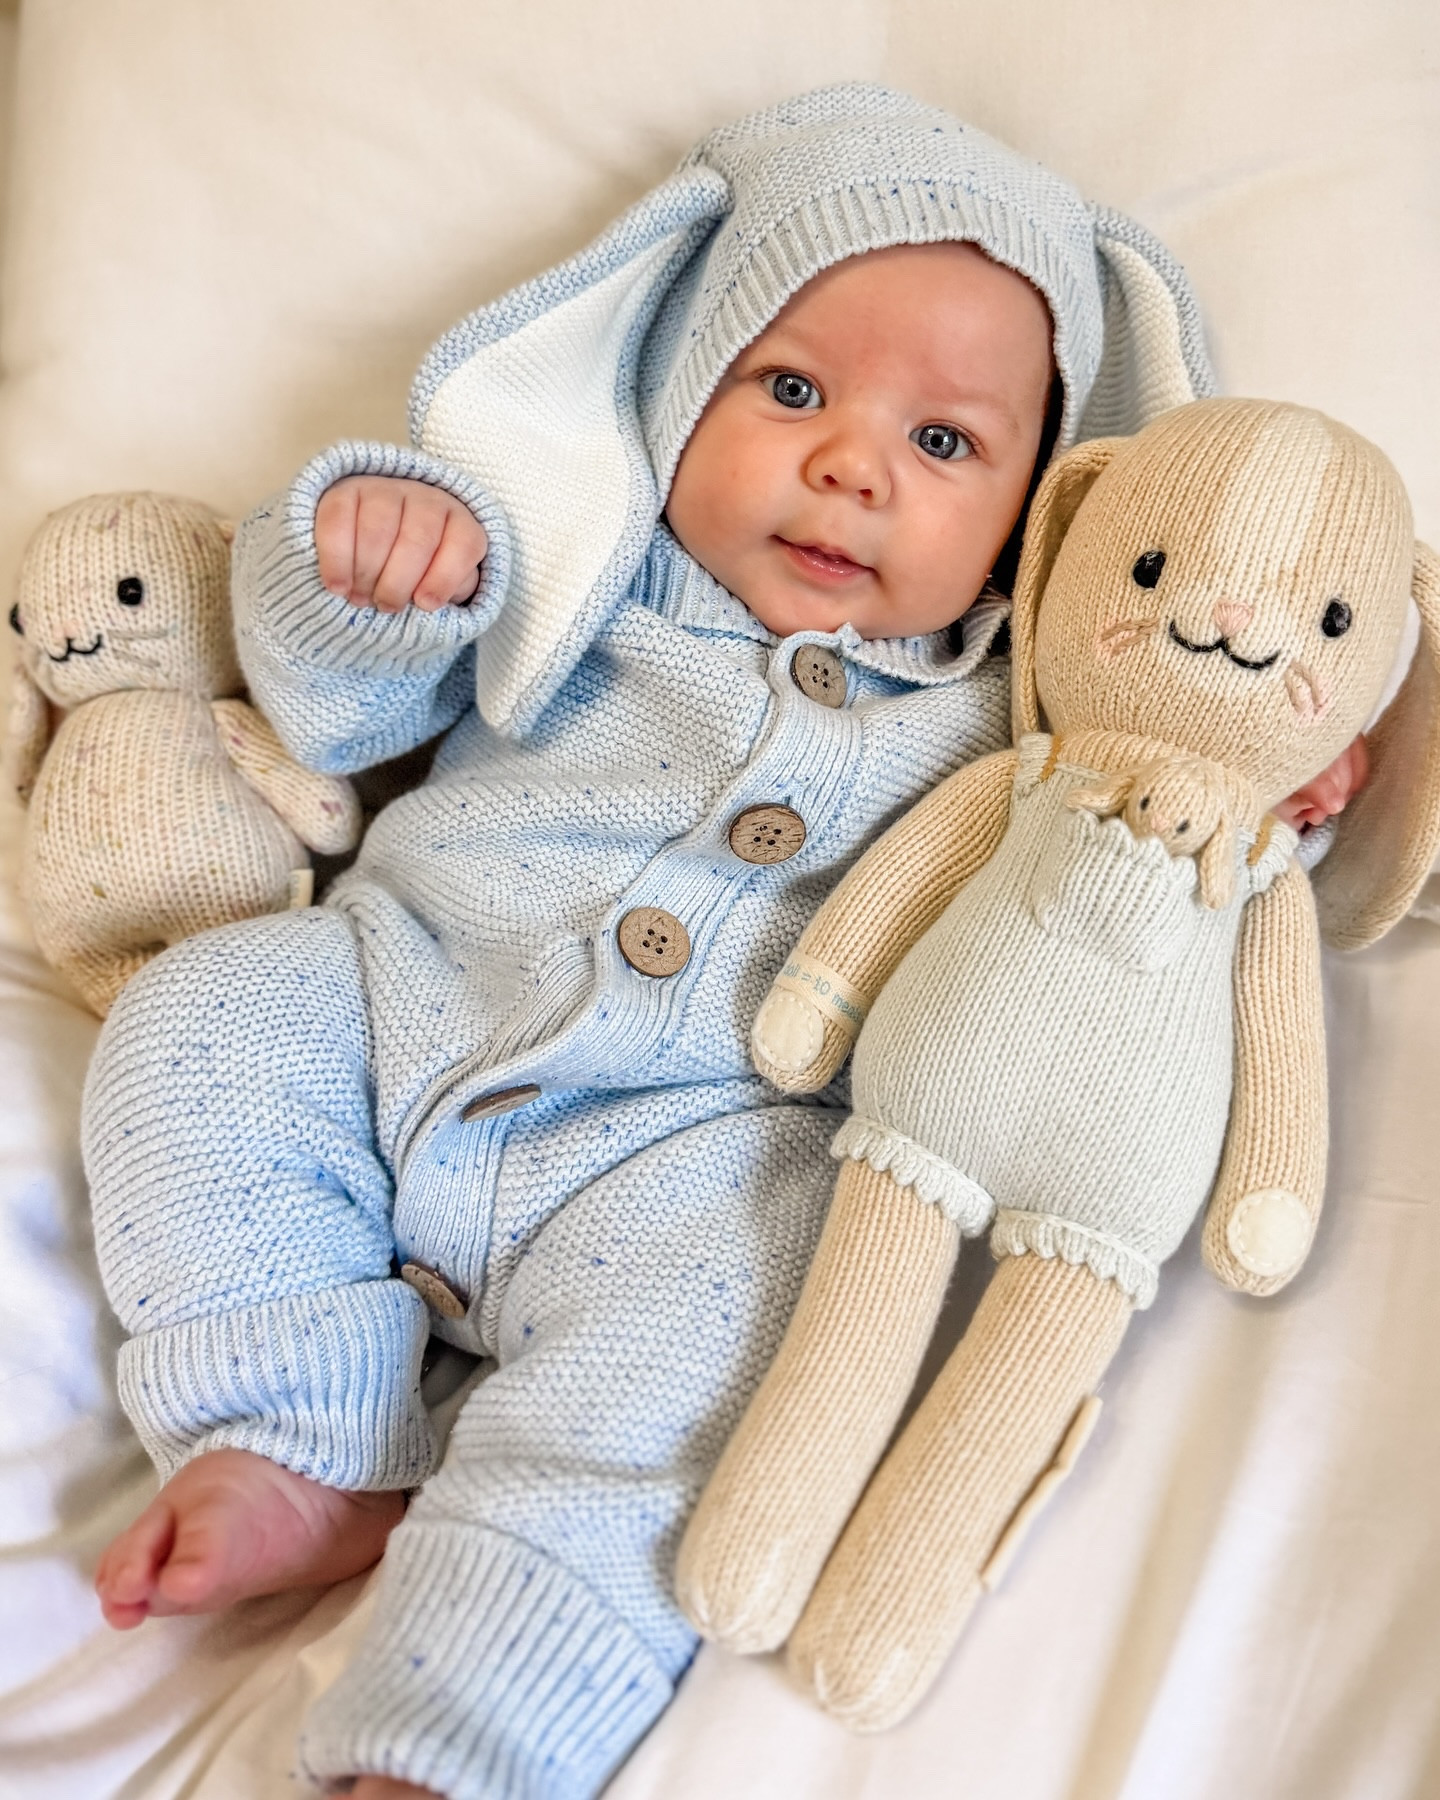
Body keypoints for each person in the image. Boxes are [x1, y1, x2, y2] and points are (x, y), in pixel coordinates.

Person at [81, 84, 1333, 1800]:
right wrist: (369, 571)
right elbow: (335, 712)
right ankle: (297, 1431)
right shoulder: (572, 559)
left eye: (945, 444)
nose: (852, 466)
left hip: (699, 1151)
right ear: (679, 385)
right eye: (794, 390)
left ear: (1044, 510)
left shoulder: (1015, 720)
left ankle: (455, 1729)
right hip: (403, 1002)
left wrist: (1256, 773)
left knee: (715, 1349)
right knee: (207, 1016)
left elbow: (1154, 868)